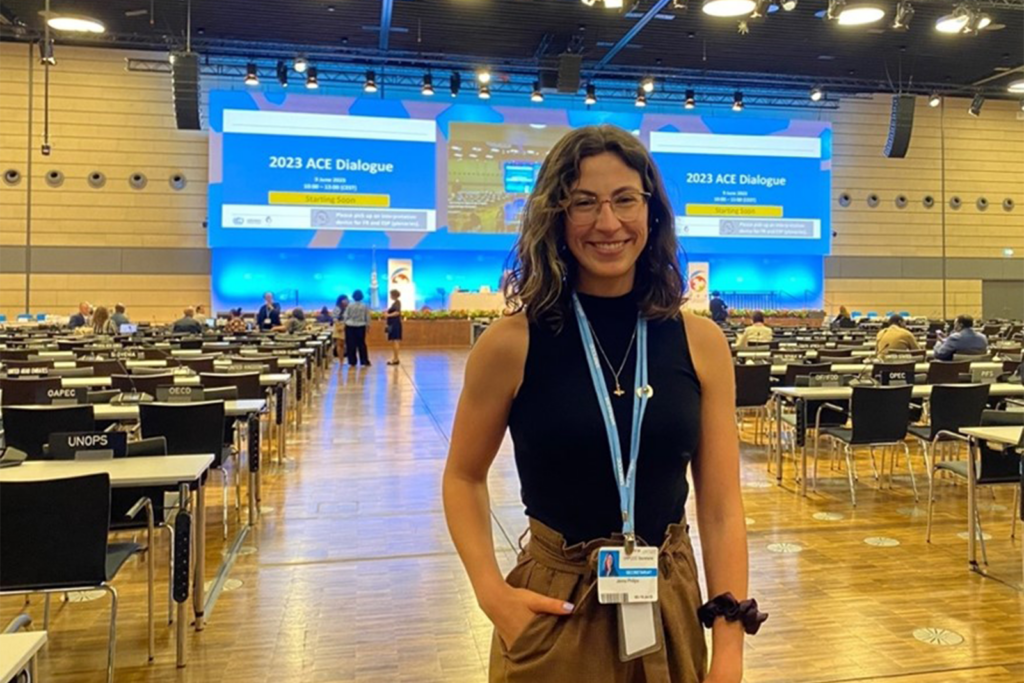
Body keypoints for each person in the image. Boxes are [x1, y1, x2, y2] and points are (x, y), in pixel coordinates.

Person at [443, 125, 757, 683]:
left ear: (652, 212)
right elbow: (463, 478)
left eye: (624, 201)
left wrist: (729, 642)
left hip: (671, 598)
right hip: (554, 606)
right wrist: (495, 597)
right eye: (583, 203)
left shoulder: (702, 344)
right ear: (556, 218)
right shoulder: (510, 344)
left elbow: (721, 506)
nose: (607, 223)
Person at [343, 290, 371, 367]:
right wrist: (368, 326)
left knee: (351, 344)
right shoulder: (365, 306)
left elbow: (345, 316)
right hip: (361, 327)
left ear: (353, 296)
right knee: (361, 344)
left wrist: (344, 324)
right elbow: (367, 317)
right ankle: (364, 361)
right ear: (362, 297)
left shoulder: (349, 305)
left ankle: (352, 361)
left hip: (350, 326)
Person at [385, 289, 403, 366]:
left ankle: (396, 358)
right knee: (394, 341)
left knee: (395, 341)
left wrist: (388, 315)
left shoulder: (397, 303)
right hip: (392, 324)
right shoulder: (395, 303)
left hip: (395, 324)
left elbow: (397, 312)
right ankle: (395, 358)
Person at [333, 294, 349, 362]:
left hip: (346, 327)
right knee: (339, 344)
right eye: (345, 300)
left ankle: (345, 358)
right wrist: (339, 325)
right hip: (338, 327)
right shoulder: (337, 308)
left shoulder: (348, 308)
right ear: (341, 301)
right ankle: (340, 360)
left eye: (347, 299)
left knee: (345, 344)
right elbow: (334, 318)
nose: (347, 301)